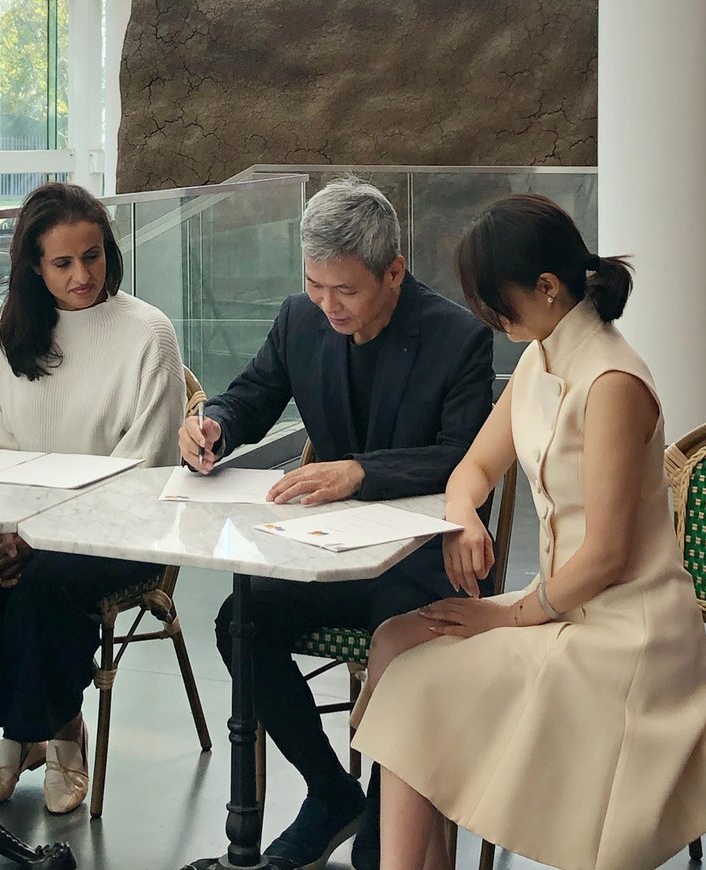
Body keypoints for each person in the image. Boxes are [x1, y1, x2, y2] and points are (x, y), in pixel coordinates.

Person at [352, 193, 706, 870]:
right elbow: (474, 465)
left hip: (627, 636)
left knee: (416, 686)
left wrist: (502, 619)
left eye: (491, 299)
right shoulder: (542, 354)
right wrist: (464, 517)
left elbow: (608, 557)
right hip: (565, 606)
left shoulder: (612, 382)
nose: (485, 315)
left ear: (547, 287)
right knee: (395, 640)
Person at [178, 175, 494, 869]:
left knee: (402, 640)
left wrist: (361, 472)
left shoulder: (459, 338)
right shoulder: (300, 317)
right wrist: (213, 428)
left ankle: (388, 812)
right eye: (315, 285)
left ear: (395, 271)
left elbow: (463, 457)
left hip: (423, 559)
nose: (327, 305)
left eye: (344, 290)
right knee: (241, 622)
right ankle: (329, 792)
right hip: (327, 550)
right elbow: (252, 397)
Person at [0, 182, 186, 815]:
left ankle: (38, 735)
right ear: (33, 267)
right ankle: (38, 724)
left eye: (94, 256)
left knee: (49, 580)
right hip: (25, 527)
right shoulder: (12, 335)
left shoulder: (146, 332)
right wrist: (9, 531)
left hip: (125, 526)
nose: (83, 275)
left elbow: (145, 463)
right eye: (64, 263)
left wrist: (39, 535)